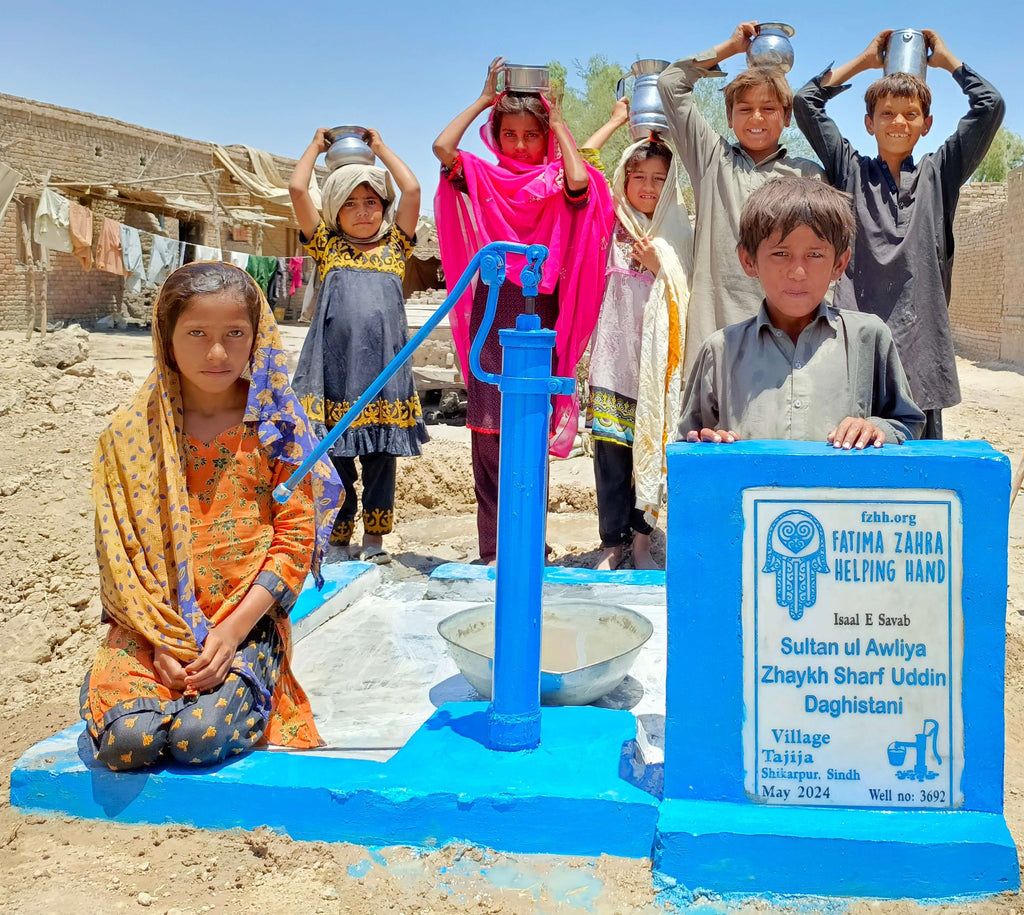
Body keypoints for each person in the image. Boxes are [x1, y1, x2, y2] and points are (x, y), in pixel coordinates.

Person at [81, 262, 342, 771]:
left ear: (256, 337)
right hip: (151, 624)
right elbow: (119, 556)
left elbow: (293, 539)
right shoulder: (130, 435)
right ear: (166, 336)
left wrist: (230, 632)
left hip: (244, 620)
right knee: (127, 744)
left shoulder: (277, 427)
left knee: (198, 738)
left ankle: (255, 683)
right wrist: (159, 639)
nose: (217, 352)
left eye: (234, 334)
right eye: (197, 333)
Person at [433, 57, 614, 564]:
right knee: (488, 435)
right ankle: (493, 548)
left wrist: (557, 124)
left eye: (530, 135)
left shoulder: (557, 181)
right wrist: (483, 99)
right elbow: (444, 148)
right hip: (492, 315)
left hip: (541, 315)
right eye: (508, 134)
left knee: (529, 428)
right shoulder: (482, 178)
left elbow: (580, 181)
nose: (519, 145)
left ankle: (530, 541)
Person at [793, 30, 1004, 440]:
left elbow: (990, 105)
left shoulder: (940, 173)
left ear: (926, 125)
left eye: (910, 114)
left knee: (917, 472)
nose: (898, 122)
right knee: (854, 452)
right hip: (858, 344)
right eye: (887, 113)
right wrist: (864, 61)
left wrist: (948, 63)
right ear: (869, 123)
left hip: (922, 346)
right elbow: (805, 102)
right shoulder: (851, 171)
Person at [679, 177, 925, 447]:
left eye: (816, 255)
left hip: (839, 490)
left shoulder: (868, 338)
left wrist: (875, 429)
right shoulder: (720, 351)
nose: (797, 273)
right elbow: (689, 444)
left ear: (839, 264)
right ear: (749, 261)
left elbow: (908, 424)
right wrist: (707, 442)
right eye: (781, 254)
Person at [289, 127, 428, 563]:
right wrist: (316, 146)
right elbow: (297, 188)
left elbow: (412, 188)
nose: (363, 212)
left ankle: (374, 542)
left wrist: (381, 147)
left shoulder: (395, 247)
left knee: (383, 458)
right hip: (336, 373)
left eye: (371, 202)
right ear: (334, 210)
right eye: (350, 203)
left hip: (385, 373)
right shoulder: (328, 248)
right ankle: (338, 539)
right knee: (338, 460)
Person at [658, 21, 824, 374]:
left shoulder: (807, 175)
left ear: (787, 117)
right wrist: (733, 47)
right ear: (730, 119)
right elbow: (670, 83)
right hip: (714, 328)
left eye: (769, 108)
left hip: (788, 332)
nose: (757, 118)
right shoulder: (711, 161)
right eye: (745, 109)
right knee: (714, 427)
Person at [580, 103, 694, 570]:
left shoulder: (679, 228)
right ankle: (613, 542)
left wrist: (659, 265)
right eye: (638, 176)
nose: (648, 188)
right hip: (612, 359)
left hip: (656, 365)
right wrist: (613, 121)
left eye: (658, 178)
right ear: (625, 180)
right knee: (611, 455)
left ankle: (644, 543)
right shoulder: (607, 220)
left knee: (651, 448)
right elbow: (583, 164)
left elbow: (686, 287)